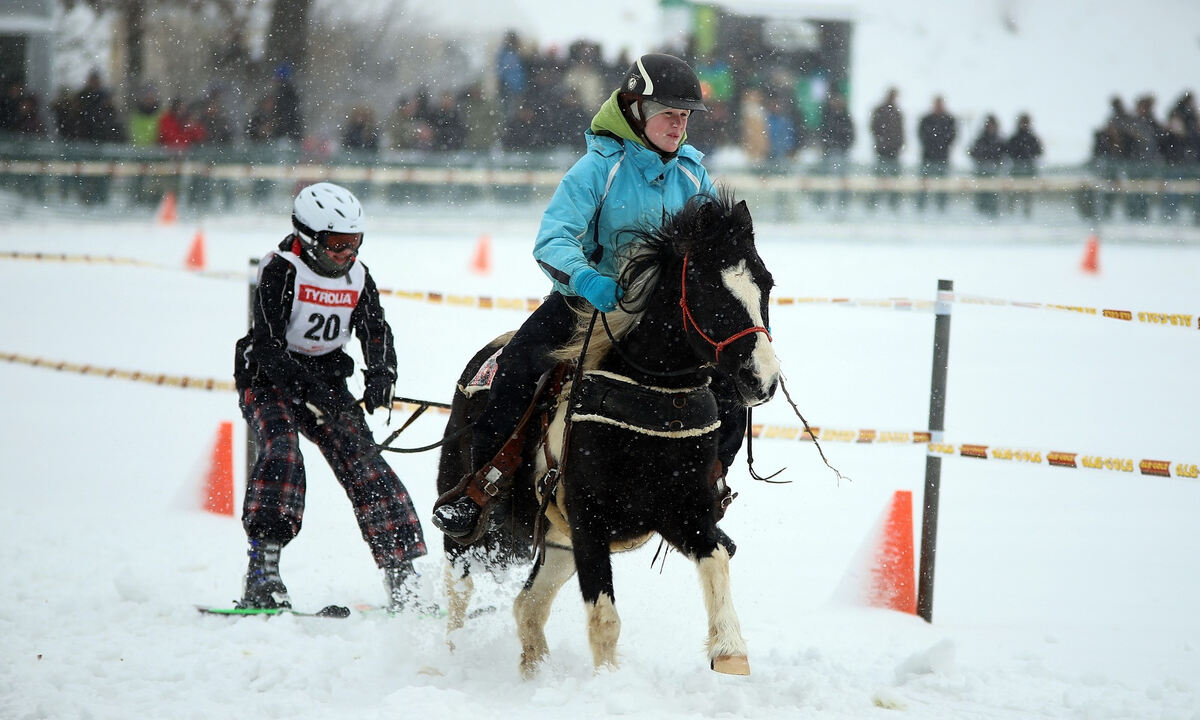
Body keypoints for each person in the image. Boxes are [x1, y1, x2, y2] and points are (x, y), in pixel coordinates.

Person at [432, 53, 746, 540]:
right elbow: (552, 241)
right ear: (635, 109)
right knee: (515, 367)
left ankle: (707, 489)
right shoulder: (597, 168)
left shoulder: (693, 176)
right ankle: (484, 487)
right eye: (668, 113)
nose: (678, 125)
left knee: (734, 381)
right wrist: (587, 281)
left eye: (685, 115)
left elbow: (713, 253)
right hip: (586, 305)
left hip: (663, 316)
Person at [233, 182, 426, 611]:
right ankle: (262, 572)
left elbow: (375, 328)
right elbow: (267, 346)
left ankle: (404, 578)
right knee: (282, 452)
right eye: (337, 244)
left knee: (367, 465)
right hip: (267, 379)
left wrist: (381, 373)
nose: (346, 254)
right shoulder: (281, 269)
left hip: (326, 382)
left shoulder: (358, 275)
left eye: (354, 242)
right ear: (308, 237)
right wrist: (306, 390)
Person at [916, 95, 957, 213]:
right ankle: (921, 207)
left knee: (942, 184)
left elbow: (952, 136)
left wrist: (942, 146)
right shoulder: (927, 119)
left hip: (942, 157)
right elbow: (922, 135)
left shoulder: (948, 120)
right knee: (924, 183)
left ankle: (941, 207)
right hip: (928, 157)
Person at [868, 87, 904, 211]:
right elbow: (874, 128)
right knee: (879, 177)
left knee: (893, 178)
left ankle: (892, 204)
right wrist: (882, 141)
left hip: (893, 150)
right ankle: (874, 203)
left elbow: (899, 131)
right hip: (883, 150)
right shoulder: (882, 111)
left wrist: (898, 144)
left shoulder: (896, 112)